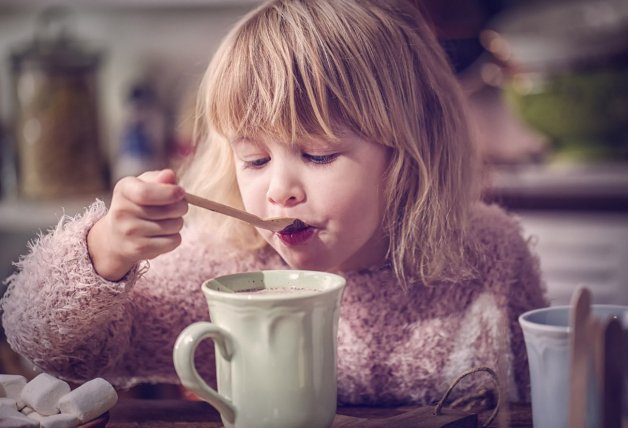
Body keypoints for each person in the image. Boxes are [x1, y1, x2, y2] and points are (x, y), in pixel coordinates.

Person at [1, 0, 546, 406]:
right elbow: (44, 345)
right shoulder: (224, 266)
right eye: (255, 161)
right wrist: (105, 252)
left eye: (318, 154)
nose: (278, 190)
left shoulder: (488, 253)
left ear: (408, 152)